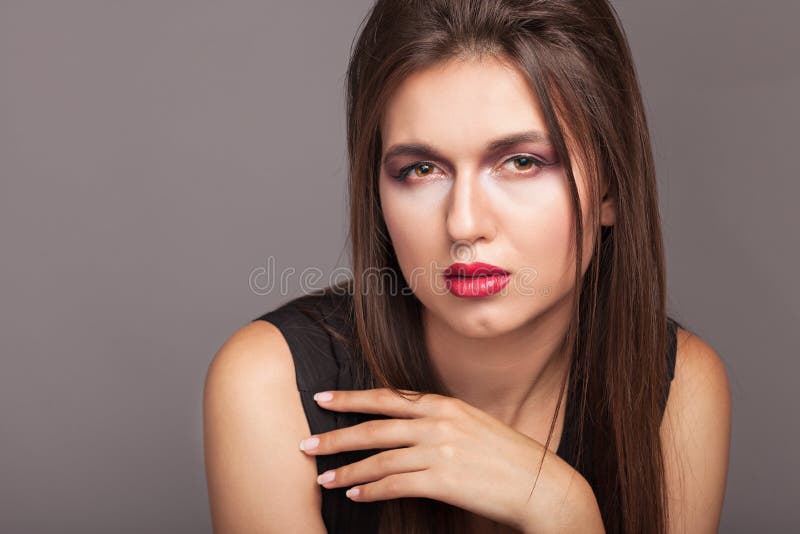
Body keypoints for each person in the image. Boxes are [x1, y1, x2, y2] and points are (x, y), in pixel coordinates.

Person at [203, 1, 732, 532]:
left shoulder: (676, 385)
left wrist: (561, 508)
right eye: (421, 169)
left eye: (521, 162)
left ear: (610, 188)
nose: (463, 223)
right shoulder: (271, 382)